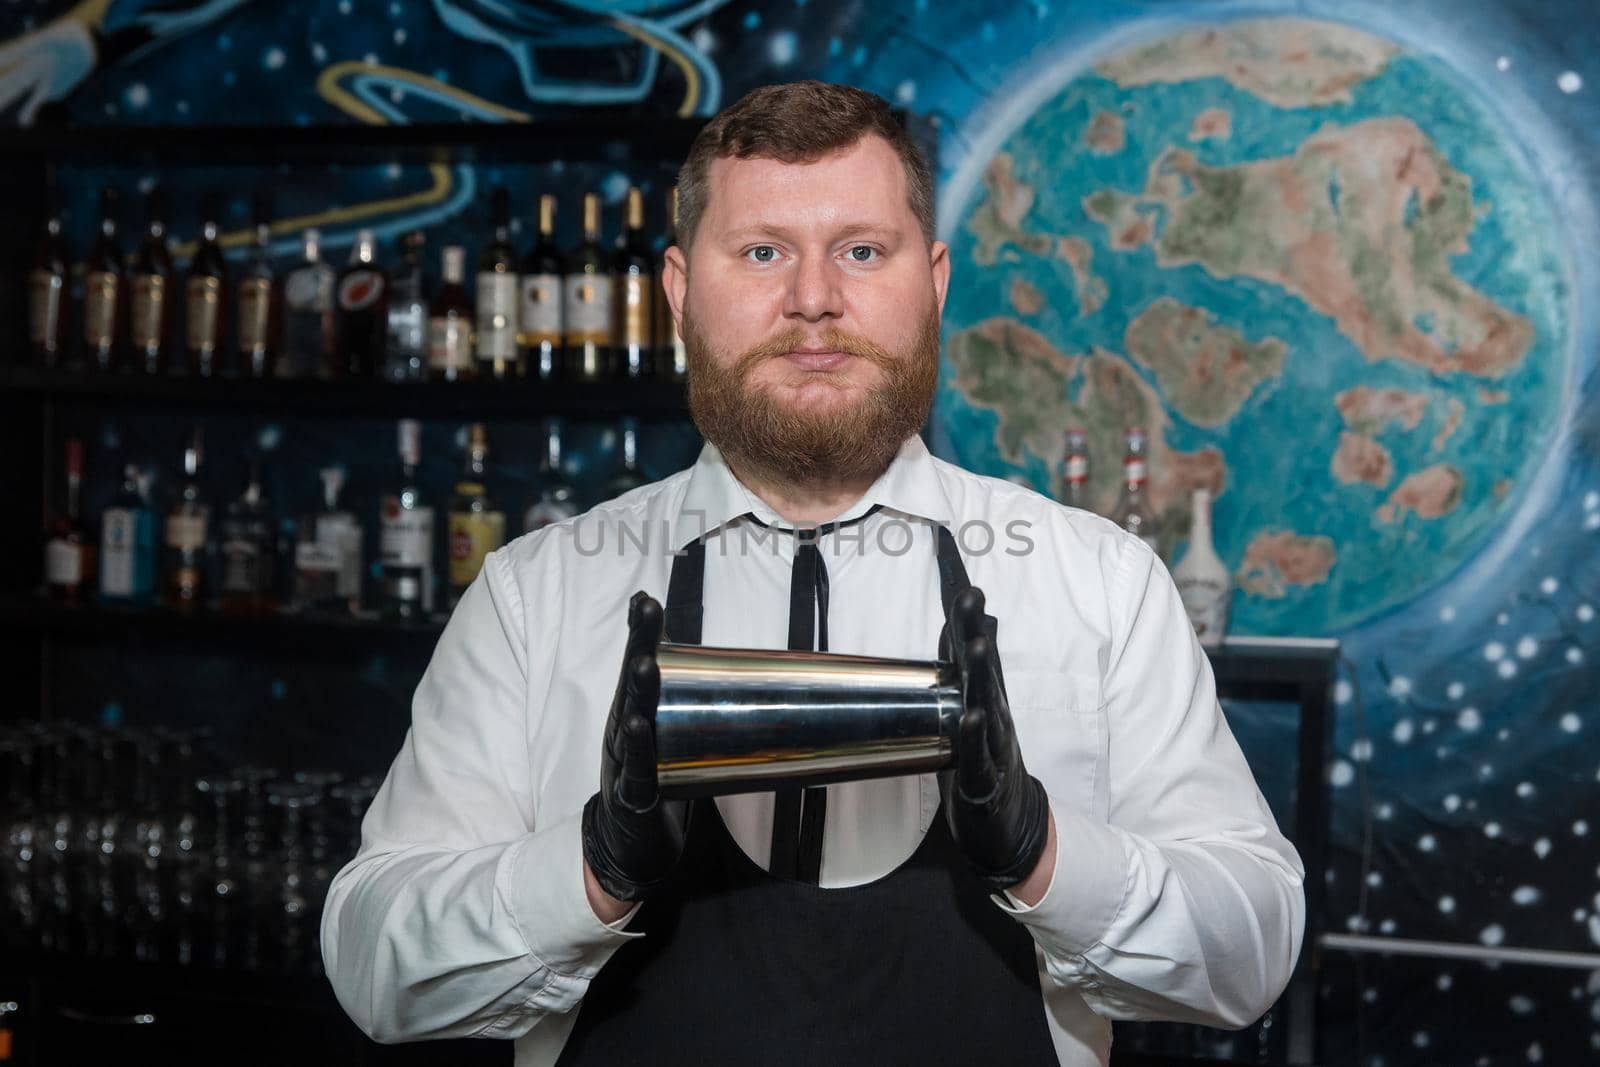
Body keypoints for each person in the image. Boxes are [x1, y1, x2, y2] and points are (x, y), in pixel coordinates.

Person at [320, 80, 1305, 1065]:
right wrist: (592, 864)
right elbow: (373, 967)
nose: (813, 300)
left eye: (862, 252)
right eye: (761, 252)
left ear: (935, 281)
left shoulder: (1099, 582)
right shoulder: (535, 594)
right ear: (677, 292)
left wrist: (1043, 849)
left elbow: (1251, 949)